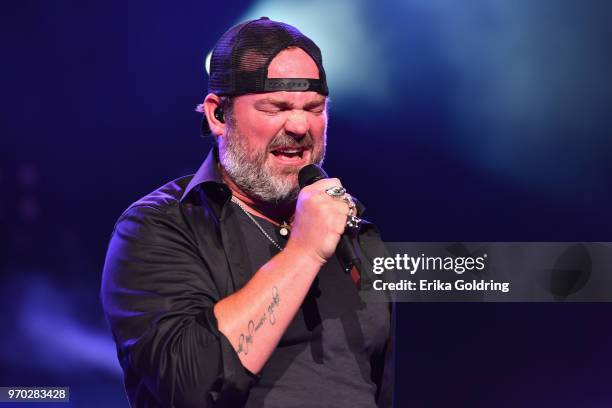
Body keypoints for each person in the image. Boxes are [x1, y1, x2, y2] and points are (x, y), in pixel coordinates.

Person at [100, 17, 394, 408]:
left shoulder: (356, 234)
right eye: (276, 107)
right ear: (218, 116)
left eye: (314, 107)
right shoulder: (157, 227)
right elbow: (191, 386)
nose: (299, 125)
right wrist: (303, 253)